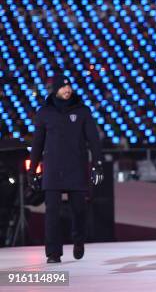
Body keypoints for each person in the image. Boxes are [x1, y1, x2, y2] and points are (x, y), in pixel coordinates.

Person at [29, 73, 104, 263]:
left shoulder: (82, 111)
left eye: (69, 86)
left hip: (76, 167)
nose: (67, 89)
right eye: (63, 87)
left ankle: (78, 240)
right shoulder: (44, 112)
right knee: (52, 213)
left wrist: (98, 164)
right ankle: (53, 253)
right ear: (55, 90)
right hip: (53, 169)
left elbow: (94, 140)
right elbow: (37, 144)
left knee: (79, 210)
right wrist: (32, 170)